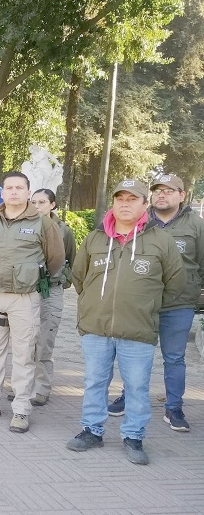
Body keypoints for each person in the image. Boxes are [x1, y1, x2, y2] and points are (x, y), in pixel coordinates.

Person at [67, 179, 185, 464]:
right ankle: (91, 431)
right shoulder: (95, 239)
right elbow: (79, 278)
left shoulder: (160, 240)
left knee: (136, 386)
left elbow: (174, 283)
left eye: (132, 199)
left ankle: (133, 436)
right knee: (95, 382)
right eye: (120, 198)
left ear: (145, 204)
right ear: (113, 203)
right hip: (96, 328)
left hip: (138, 330)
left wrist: (144, 306)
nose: (125, 203)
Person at [0, 171, 64, 433]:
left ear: (28, 192)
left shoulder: (42, 223)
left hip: (25, 298)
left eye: (19, 188)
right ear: (2, 193)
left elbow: (55, 259)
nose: (13, 192)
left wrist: (31, 277)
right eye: (9, 187)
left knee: (24, 355)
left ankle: (21, 409)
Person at [107, 174, 204, 432]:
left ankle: (173, 408)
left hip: (178, 304)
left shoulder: (196, 225)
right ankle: (129, 397)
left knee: (174, 357)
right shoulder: (140, 222)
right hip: (141, 304)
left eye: (169, 191)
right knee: (135, 356)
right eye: (158, 190)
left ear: (182, 195)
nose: (162, 195)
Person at [29, 188, 76, 405]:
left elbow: (71, 260)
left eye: (42, 202)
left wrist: (60, 282)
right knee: (27, 341)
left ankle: (42, 388)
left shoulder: (63, 230)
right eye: (34, 202)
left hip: (51, 290)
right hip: (29, 290)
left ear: (53, 205)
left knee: (45, 341)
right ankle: (25, 386)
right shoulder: (25, 226)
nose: (37, 206)